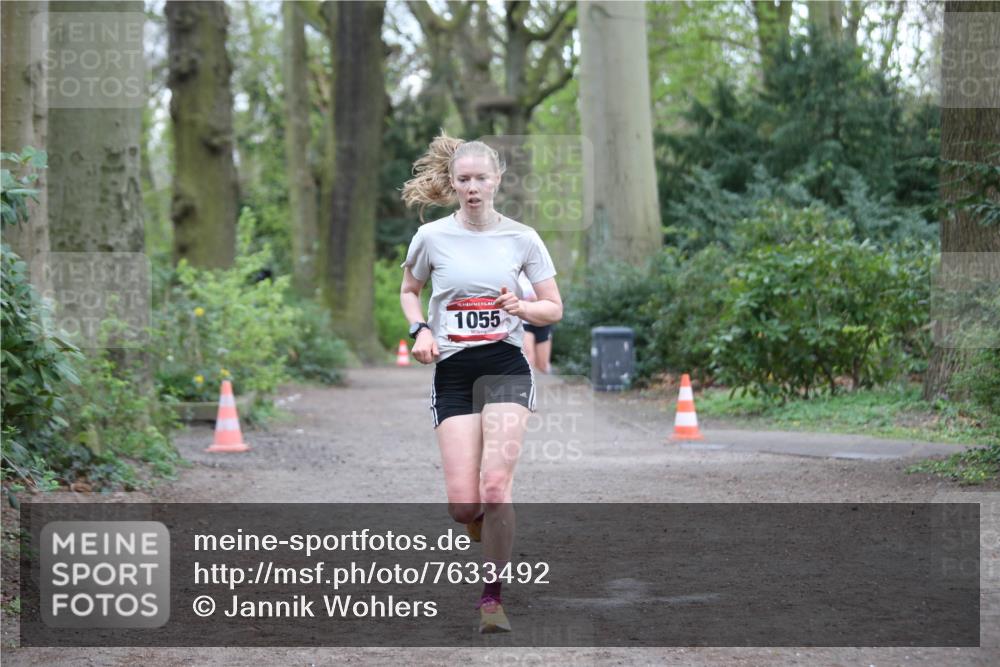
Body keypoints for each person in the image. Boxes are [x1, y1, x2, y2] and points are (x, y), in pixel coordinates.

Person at [399, 132, 563, 633]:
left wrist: (522, 307)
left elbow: (553, 307)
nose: (473, 187)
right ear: (452, 183)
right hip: (453, 371)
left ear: (497, 181)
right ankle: (479, 519)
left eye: (481, 179)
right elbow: (409, 290)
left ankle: (492, 600)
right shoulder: (431, 237)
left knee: (495, 486)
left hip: (505, 366)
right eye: (464, 179)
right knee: (464, 505)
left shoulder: (523, 238)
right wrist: (420, 330)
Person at [517, 272, 553, 374]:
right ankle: (529, 383)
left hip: (543, 321)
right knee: (529, 359)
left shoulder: (541, 274)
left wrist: (536, 299)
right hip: (525, 322)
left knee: (543, 366)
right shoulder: (516, 275)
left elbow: (551, 299)